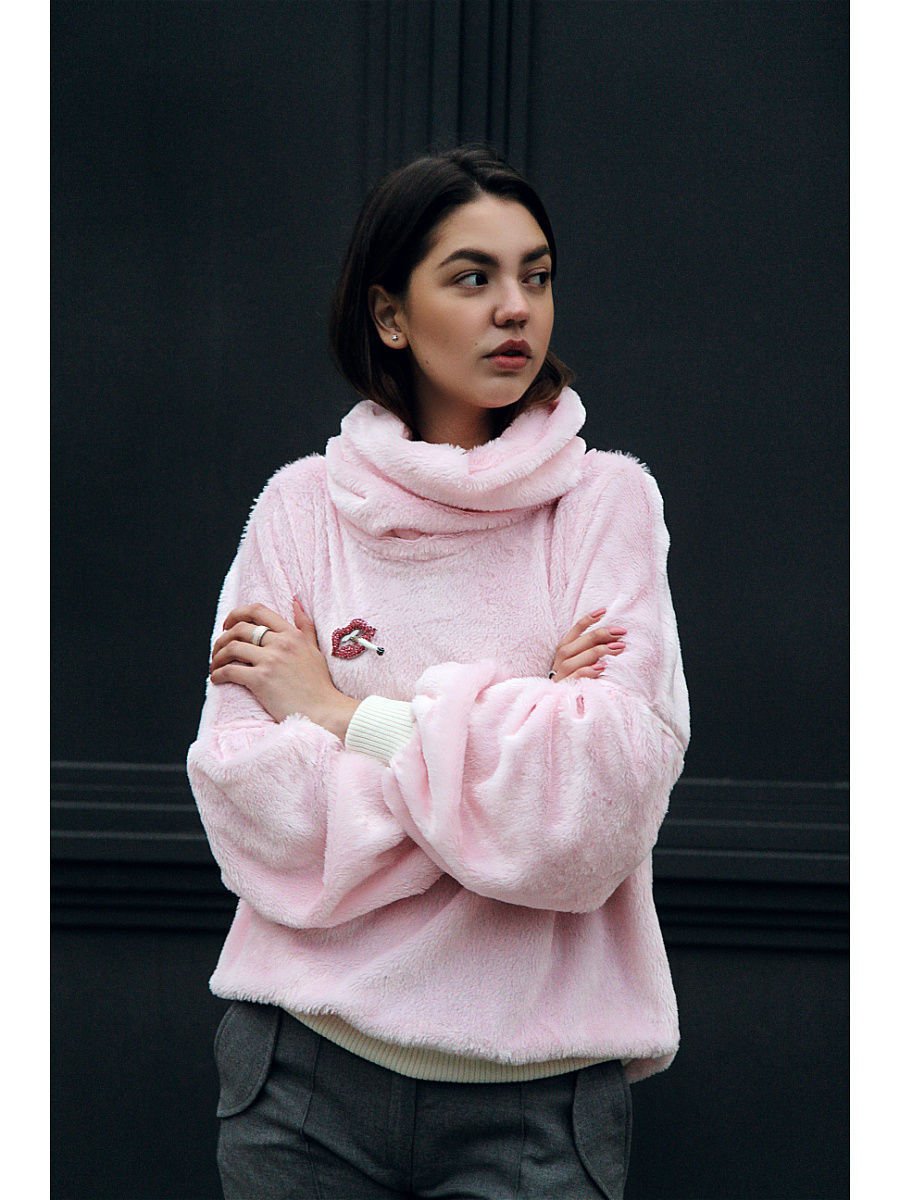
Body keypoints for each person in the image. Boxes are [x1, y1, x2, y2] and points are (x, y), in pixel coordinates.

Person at [187, 144, 690, 1200]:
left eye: (536, 276)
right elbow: (249, 801)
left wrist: (340, 714)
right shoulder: (302, 509)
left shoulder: (606, 505)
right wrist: (512, 739)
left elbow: (595, 808)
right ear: (390, 316)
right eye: (473, 277)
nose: (515, 308)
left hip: (536, 1107)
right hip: (301, 1083)